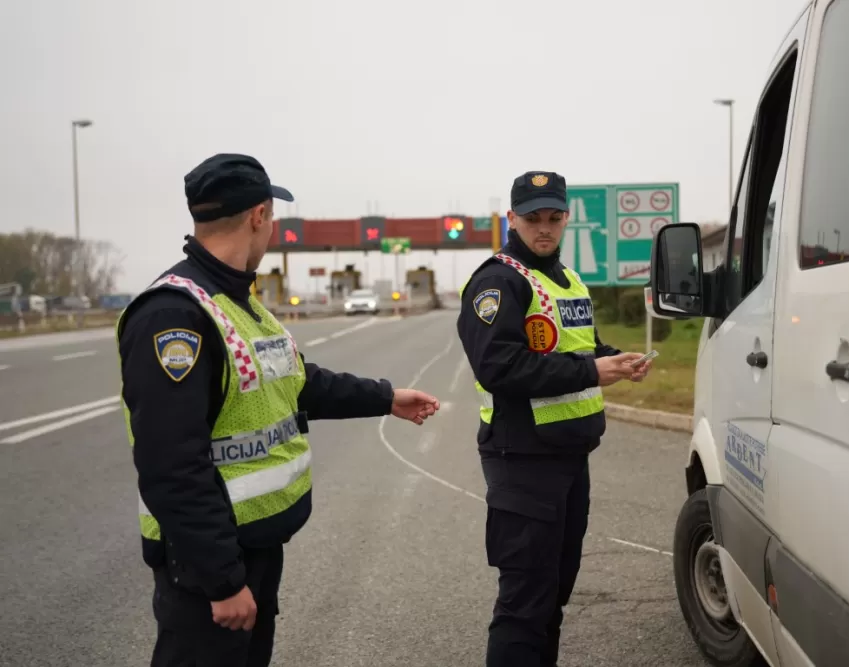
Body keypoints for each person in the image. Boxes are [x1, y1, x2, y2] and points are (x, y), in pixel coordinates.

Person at [116, 153, 440, 667]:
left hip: (254, 545)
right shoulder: (175, 315)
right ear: (259, 215)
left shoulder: (239, 301)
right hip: (209, 567)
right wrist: (221, 580)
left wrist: (385, 397)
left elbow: (294, 381)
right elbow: (170, 465)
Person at [456, 171, 653, 667]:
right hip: (522, 460)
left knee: (552, 600)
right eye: (532, 218)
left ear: (567, 218)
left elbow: (577, 349)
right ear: (512, 219)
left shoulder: (566, 279)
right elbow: (498, 365)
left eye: (554, 217)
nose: (544, 228)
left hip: (567, 458)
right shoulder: (498, 281)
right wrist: (592, 370)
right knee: (524, 606)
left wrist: (615, 359)